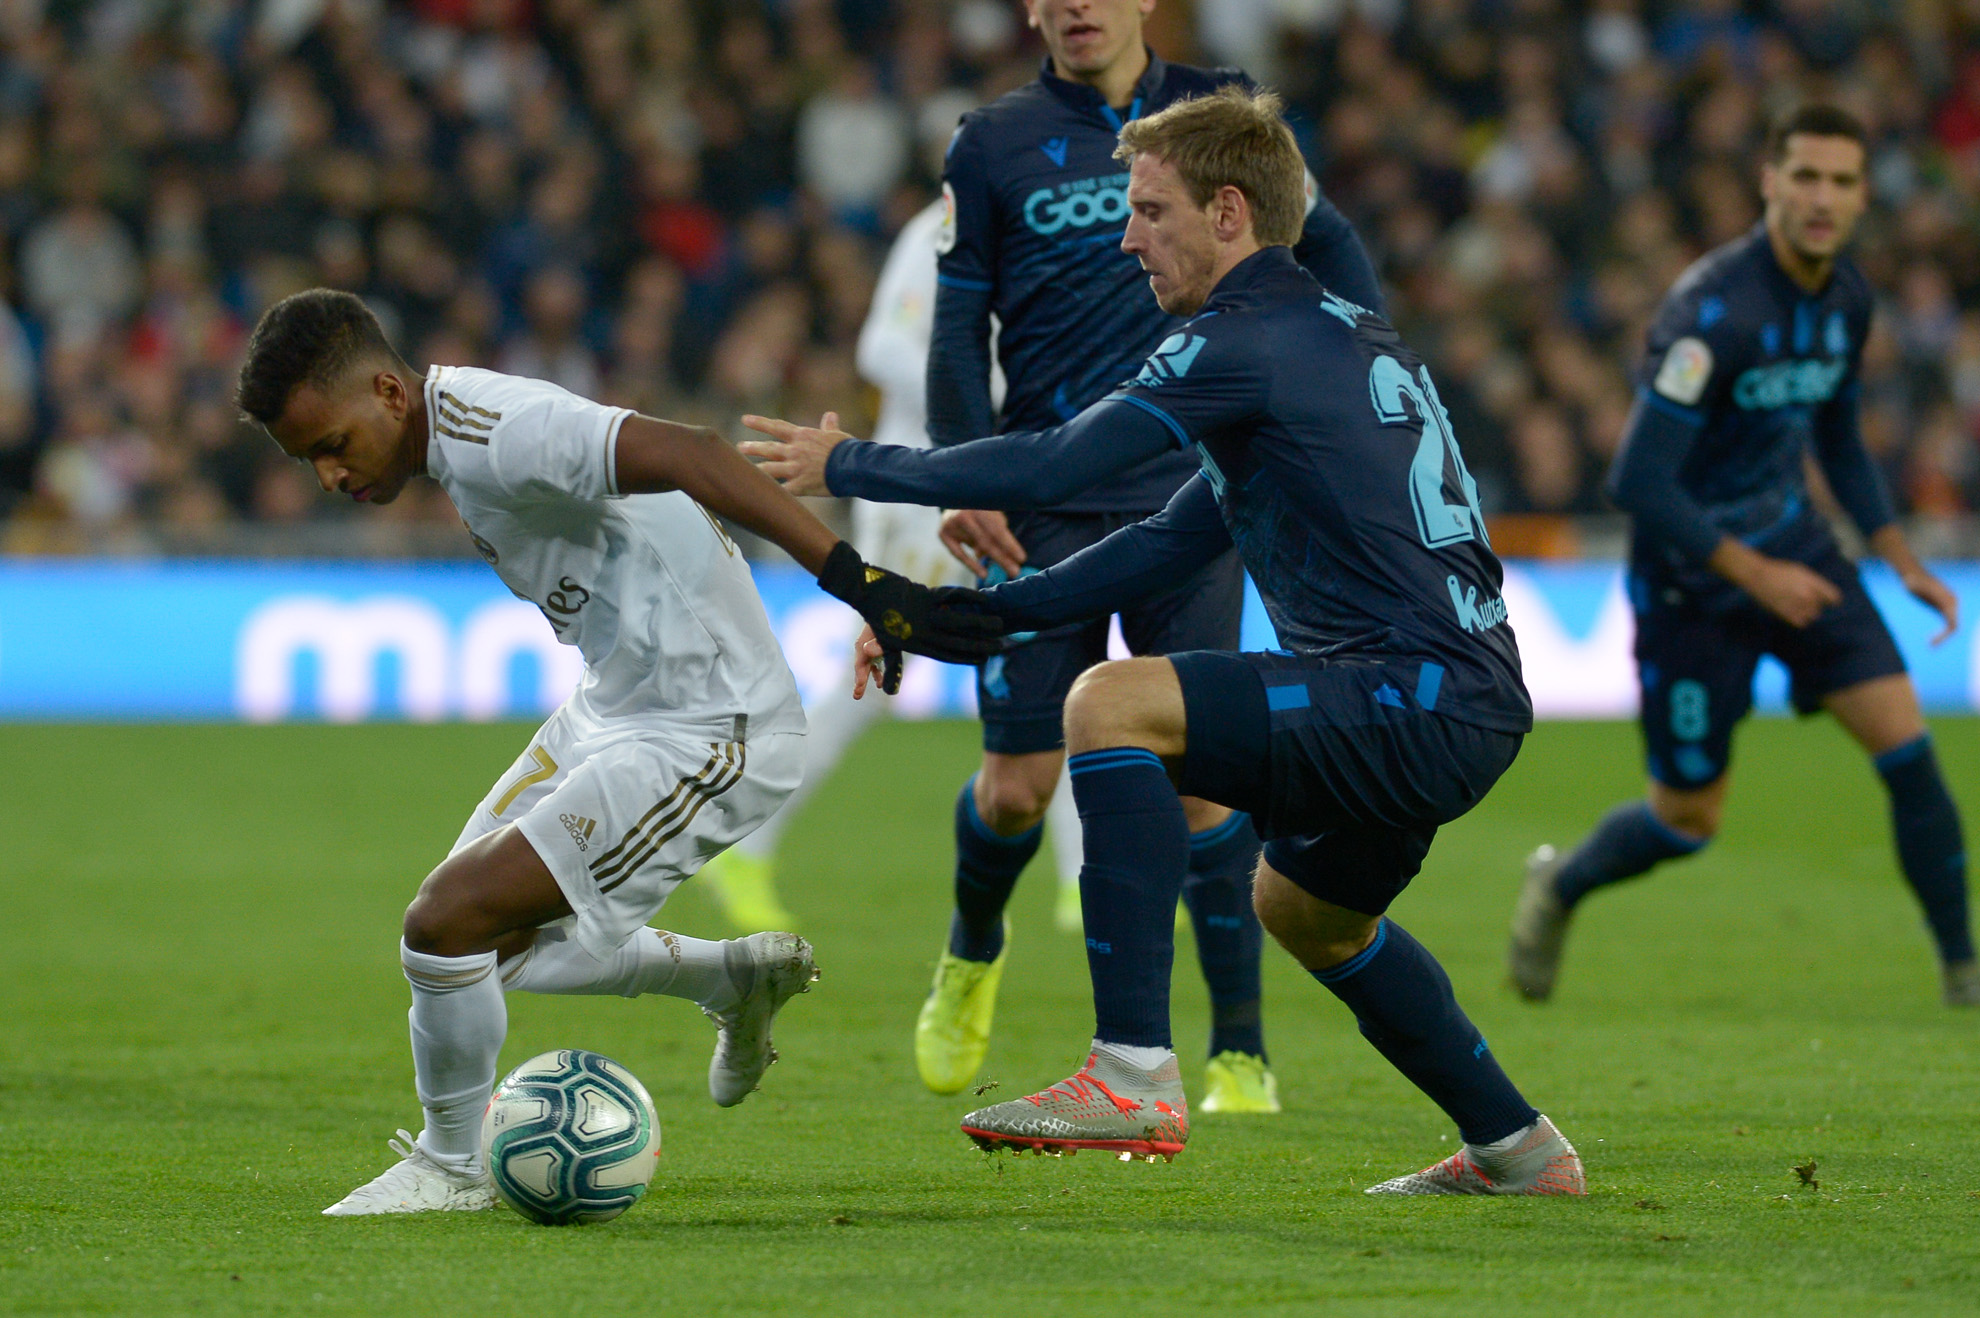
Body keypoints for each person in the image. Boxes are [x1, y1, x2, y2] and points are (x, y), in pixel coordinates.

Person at [742, 87, 1584, 1194]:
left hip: (1406, 693)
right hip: (1459, 697)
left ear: (1228, 213)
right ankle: (1518, 1148)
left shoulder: (1241, 340)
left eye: (1149, 210)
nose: (1126, 235)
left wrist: (850, 466)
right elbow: (1149, 547)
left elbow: (1052, 467)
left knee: (1108, 702)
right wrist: (939, 612)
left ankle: (1131, 1068)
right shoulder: (1333, 333)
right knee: (1304, 909)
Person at [234, 289, 996, 1215]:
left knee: (444, 923)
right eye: (306, 459)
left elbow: (692, 454)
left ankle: (451, 1166)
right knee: (482, 952)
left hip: (714, 729)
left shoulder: (497, 431)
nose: (327, 477)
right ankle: (732, 977)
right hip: (616, 708)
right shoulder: (454, 440)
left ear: (390, 394)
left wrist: (863, 584)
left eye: (331, 446)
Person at [904, 0, 1384, 1111]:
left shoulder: (1218, 115)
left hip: (1191, 487)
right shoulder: (991, 141)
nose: (1075, 5)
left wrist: (1363, 364)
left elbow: (1332, 240)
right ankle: (973, 949)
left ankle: (1240, 1051)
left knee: (1201, 782)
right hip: (1050, 490)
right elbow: (953, 320)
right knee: (1019, 789)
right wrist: (965, 467)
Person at [1502, 105, 1974, 1007]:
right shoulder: (1711, 312)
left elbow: (1835, 439)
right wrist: (1756, 576)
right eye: (1805, 176)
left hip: (1800, 552)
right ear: (1769, 181)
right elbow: (1637, 480)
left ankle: (1963, 972)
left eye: (1842, 180)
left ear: (1864, 193)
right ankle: (1560, 886)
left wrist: (1898, 557)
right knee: (1687, 819)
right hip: (1693, 587)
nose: (1822, 197)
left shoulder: (1847, 301)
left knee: (1909, 750)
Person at [698, 197, 1023, 934]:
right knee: (879, 675)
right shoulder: (941, 229)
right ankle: (746, 842)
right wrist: (997, 400)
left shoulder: (1042, 233)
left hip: (1000, 482)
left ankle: (1078, 883)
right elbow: (883, 348)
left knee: (1054, 666)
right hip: (918, 487)